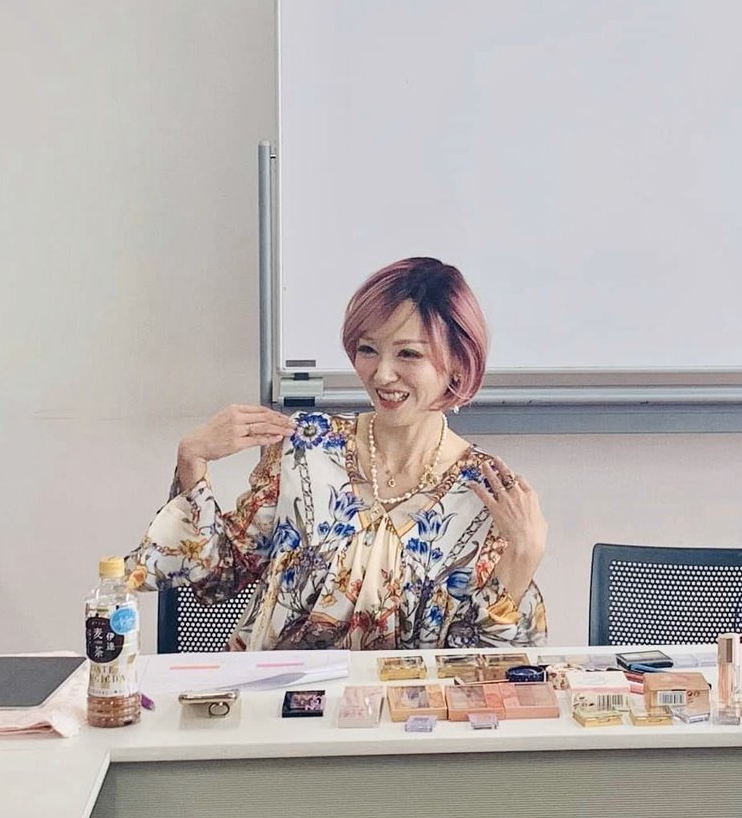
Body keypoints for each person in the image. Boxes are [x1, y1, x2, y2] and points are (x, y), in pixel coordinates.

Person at [125, 257, 548, 649]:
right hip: (278, 698)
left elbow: (483, 673)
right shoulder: (306, 447)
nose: (382, 374)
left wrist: (523, 559)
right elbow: (219, 577)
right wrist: (192, 460)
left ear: (458, 362)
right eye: (368, 349)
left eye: (408, 354)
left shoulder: (487, 492)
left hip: (405, 706)